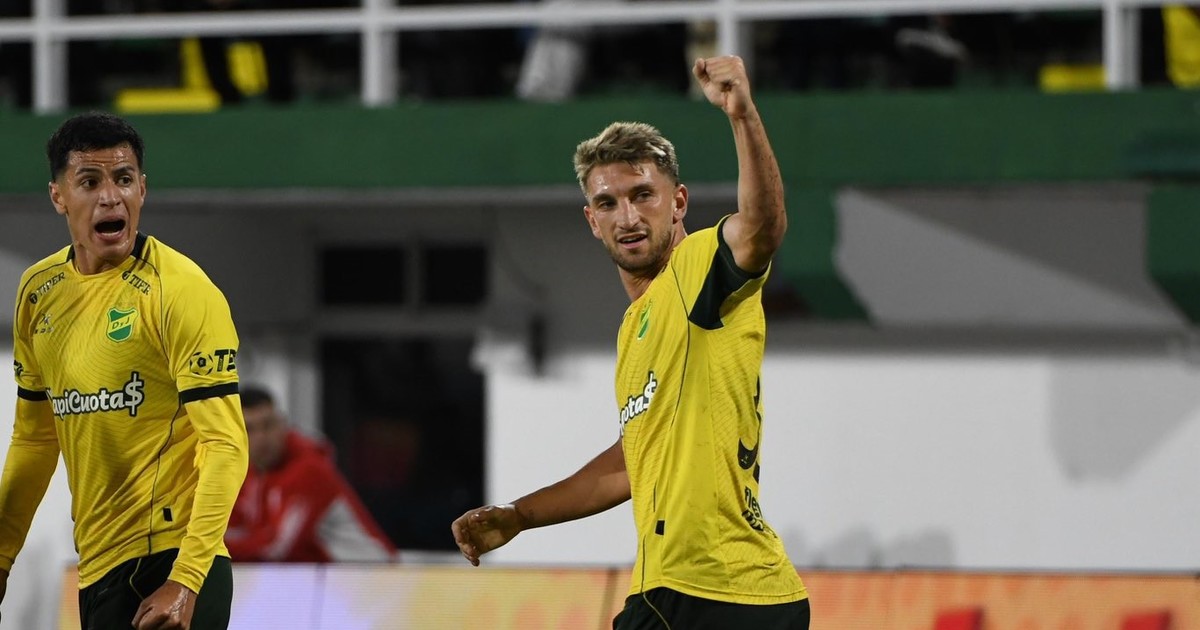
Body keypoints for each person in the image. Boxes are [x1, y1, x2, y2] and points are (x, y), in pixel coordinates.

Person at [452, 55, 810, 629]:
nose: (627, 216)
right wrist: (520, 515)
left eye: (643, 195)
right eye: (608, 203)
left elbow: (763, 227)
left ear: (679, 202)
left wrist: (742, 115)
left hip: (706, 591)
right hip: (724, 592)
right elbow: (628, 463)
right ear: (591, 220)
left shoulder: (695, 269)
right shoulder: (635, 326)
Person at [0, 111, 248, 629]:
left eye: (124, 179)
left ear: (143, 189)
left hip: (173, 560)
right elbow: (35, 440)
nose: (111, 197)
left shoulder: (182, 291)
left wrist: (187, 579)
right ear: (58, 196)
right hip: (97, 569)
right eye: (90, 182)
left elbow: (226, 445)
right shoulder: (38, 292)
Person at [225, 386, 396, 562]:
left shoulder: (309, 470)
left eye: (268, 425)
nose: (261, 437)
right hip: (334, 574)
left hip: (371, 572)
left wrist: (215, 548)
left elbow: (278, 547)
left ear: (283, 424)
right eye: (249, 429)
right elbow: (235, 529)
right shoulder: (253, 475)